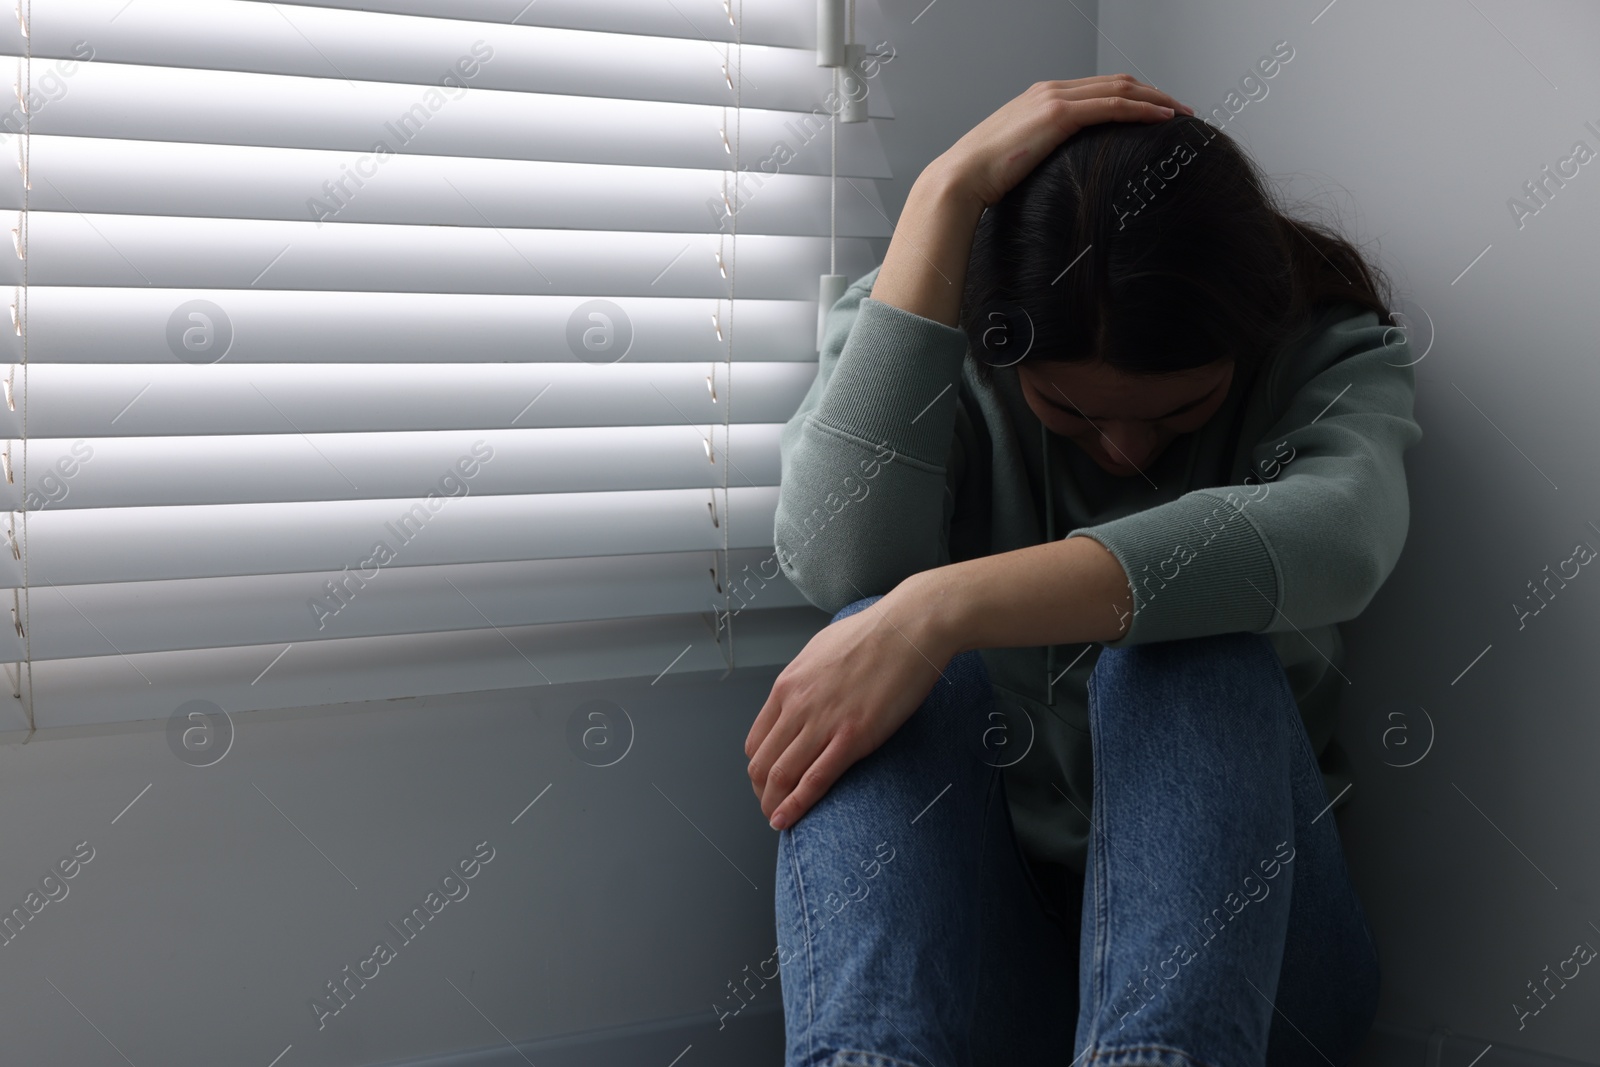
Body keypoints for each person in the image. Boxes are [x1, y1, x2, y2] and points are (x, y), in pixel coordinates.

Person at [745, 74, 1423, 1066]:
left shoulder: (1323, 354)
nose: (1119, 447)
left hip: (1264, 981)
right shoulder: (935, 331)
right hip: (999, 974)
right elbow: (839, 554)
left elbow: (1340, 539)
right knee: (870, 643)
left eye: (1174, 411)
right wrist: (943, 194)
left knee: (1188, 653)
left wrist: (940, 605)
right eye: (1068, 410)